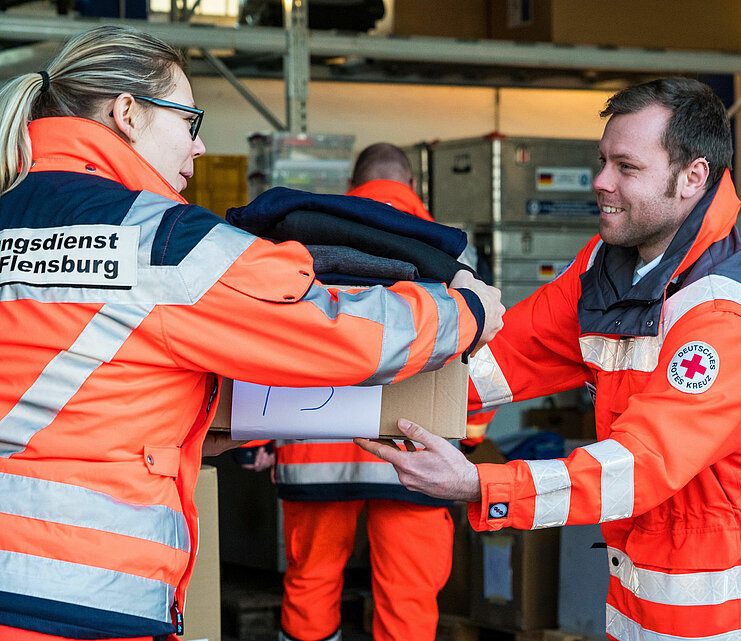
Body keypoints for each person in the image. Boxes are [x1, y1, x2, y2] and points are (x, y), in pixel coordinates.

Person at [0, 26, 503, 641]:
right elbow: (336, 332)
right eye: (189, 121)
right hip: (82, 596)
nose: (201, 146)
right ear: (127, 114)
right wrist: (465, 312)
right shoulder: (166, 244)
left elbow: (75, 390)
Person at [357, 78, 741, 641]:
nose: (601, 182)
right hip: (647, 587)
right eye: (601, 160)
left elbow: (638, 465)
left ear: (693, 178)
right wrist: (347, 400)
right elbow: (506, 359)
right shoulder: (606, 267)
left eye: (626, 168)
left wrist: (478, 485)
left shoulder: (726, 320)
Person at [264, 142, 469, 641]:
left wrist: (257, 437)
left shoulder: (309, 239)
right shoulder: (448, 250)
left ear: (353, 185)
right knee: (408, 597)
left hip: (312, 447)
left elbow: (272, 340)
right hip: (417, 451)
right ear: (412, 187)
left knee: (310, 581)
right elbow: (474, 354)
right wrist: (465, 438)